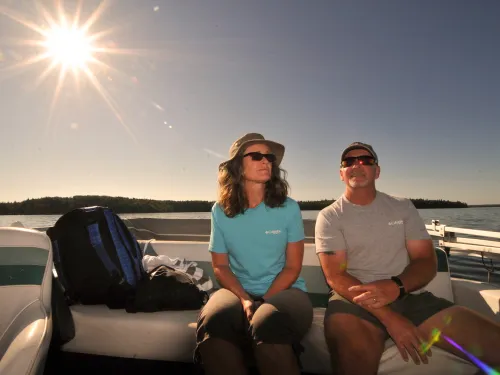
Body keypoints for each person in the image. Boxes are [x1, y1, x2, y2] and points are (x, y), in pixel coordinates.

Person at [315, 142, 500, 374]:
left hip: (410, 295)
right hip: (353, 299)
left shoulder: (402, 207)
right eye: (349, 162)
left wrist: (396, 287)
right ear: (341, 173)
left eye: (366, 160)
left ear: (377, 171)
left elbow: (425, 260)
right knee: (353, 354)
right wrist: (389, 317)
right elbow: (336, 276)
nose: (357, 165)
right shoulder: (330, 216)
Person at [195, 133, 313, 375]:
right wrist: (245, 300)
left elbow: (292, 267)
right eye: (257, 156)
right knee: (213, 324)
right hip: (237, 290)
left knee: (267, 323)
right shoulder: (220, 211)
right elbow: (221, 267)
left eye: (269, 157)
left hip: (286, 291)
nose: (266, 161)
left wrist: (265, 300)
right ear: (238, 165)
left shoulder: (288, 208)